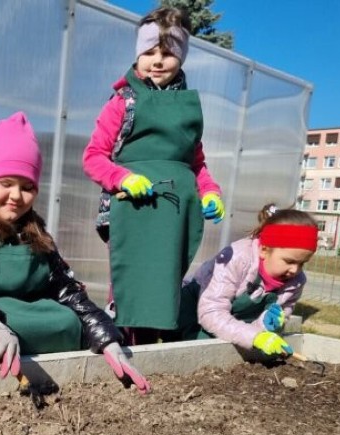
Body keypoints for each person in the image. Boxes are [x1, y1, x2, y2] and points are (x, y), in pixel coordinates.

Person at [0, 111, 150, 393]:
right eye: (6, 183)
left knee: (68, 320)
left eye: (27, 187)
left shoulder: (34, 229)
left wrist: (109, 340)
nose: (16, 196)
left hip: (26, 313)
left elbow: (67, 289)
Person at [82, 5, 224, 345]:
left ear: (182, 58)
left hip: (175, 211)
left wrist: (210, 192)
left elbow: (197, 163)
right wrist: (122, 178)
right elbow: (93, 157)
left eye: (167, 53)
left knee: (165, 282)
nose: (157, 60)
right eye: (149, 52)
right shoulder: (121, 103)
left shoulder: (189, 106)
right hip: (130, 207)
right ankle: (123, 344)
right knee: (131, 279)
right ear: (137, 54)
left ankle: (155, 348)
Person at [178, 204, 319, 358]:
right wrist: (254, 337)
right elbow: (212, 312)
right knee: (200, 350)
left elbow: (278, 315)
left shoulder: (296, 281)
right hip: (196, 309)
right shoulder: (238, 258)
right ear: (264, 249)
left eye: (302, 263)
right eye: (289, 261)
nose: (295, 270)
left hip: (234, 321)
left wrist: (266, 325)